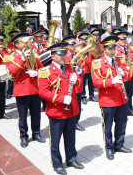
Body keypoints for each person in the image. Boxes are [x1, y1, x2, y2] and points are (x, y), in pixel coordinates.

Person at [38, 42, 84, 174]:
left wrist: (77, 80)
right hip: (57, 111)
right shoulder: (45, 71)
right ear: (52, 56)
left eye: (64, 54)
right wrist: (62, 99)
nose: (64, 57)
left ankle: (71, 159)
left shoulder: (69, 68)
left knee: (71, 137)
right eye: (60, 54)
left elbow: (77, 84)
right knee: (56, 140)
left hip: (71, 109)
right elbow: (43, 92)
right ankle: (57, 164)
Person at [92, 35, 132, 160]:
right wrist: (111, 81)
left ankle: (119, 144)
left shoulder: (119, 59)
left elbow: (128, 75)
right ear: (104, 49)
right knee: (108, 126)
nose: (112, 51)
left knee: (121, 124)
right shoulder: (97, 62)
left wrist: (123, 73)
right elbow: (96, 82)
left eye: (114, 48)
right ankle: (109, 148)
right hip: (108, 100)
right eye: (109, 48)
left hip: (121, 97)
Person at [5, 32, 45, 148]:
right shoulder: (11, 57)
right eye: (23, 42)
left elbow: (42, 69)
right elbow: (13, 72)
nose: (26, 44)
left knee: (36, 114)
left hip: (35, 89)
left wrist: (36, 72)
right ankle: (23, 136)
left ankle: (36, 133)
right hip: (22, 90)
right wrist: (22, 58)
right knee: (22, 116)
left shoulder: (32, 54)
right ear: (16, 45)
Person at [63, 35, 85, 131]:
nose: (73, 47)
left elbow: (84, 67)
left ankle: (76, 122)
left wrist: (80, 70)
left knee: (78, 105)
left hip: (78, 84)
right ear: (67, 46)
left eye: (74, 45)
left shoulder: (78, 54)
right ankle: (69, 122)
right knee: (70, 103)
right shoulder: (64, 56)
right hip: (69, 84)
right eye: (71, 45)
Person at [115, 30, 133, 117]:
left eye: (125, 39)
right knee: (122, 95)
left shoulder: (130, 48)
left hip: (132, 76)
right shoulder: (115, 50)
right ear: (118, 40)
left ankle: (130, 109)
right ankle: (122, 112)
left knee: (130, 94)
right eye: (122, 39)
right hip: (123, 77)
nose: (124, 41)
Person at [77, 32, 97, 104]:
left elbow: (95, 56)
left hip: (90, 67)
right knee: (83, 83)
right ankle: (83, 96)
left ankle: (91, 95)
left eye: (86, 39)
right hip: (83, 68)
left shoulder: (90, 47)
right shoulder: (78, 49)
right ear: (80, 40)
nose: (85, 40)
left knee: (91, 83)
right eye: (83, 39)